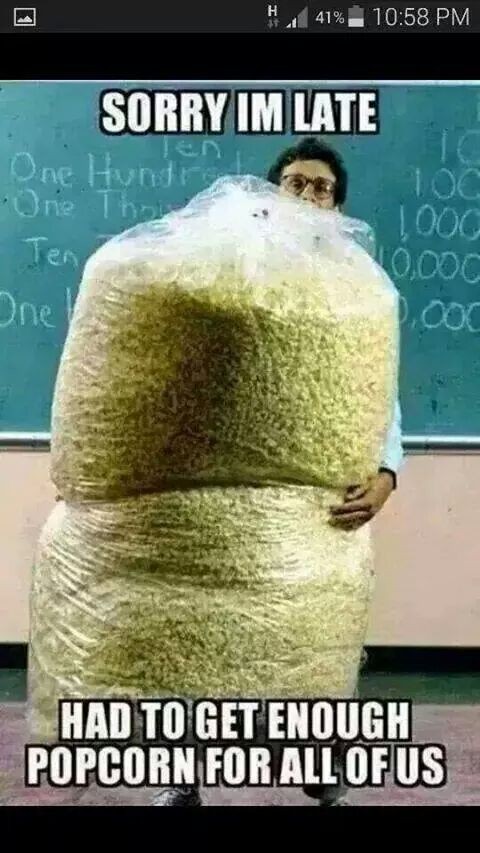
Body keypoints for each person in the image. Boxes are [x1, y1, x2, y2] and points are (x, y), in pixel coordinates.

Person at [154, 137, 404, 807]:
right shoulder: (227, 267)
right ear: (270, 193)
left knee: (310, 636)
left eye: (322, 187)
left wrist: (387, 474)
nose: (308, 195)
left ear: (338, 206)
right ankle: (184, 772)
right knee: (209, 632)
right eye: (295, 182)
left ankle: (317, 760)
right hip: (228, 498)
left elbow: (380, 396)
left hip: (318, 506)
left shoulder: (361, 290)